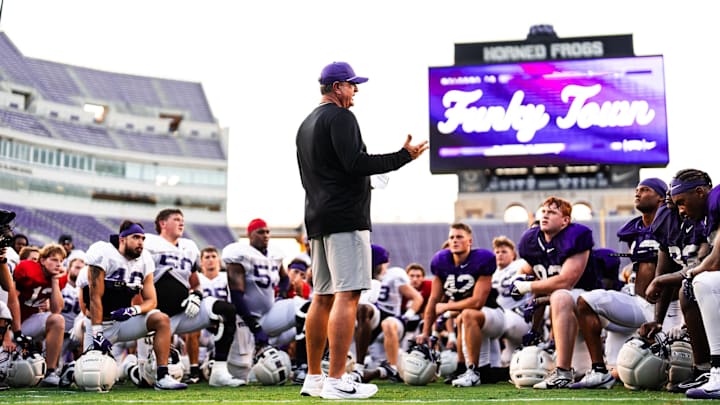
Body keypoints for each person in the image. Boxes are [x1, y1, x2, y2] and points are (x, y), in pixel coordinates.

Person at [295, 61, 428, 400]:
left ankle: (314, 377)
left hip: (317, 217)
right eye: (352, 85)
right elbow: (355, 163)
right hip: (345, 217)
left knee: (322, 296)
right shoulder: (341, 117)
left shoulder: (306, 123)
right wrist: (402, 157)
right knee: (348, 294)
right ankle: (337, 379)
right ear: (338, 87)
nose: (356, 92)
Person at [572, 178, 676, 389]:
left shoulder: (674, 224)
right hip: (638, 302)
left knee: (676, 371)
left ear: (660, 197)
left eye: (645, 190)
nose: (638, 193)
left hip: (671, 307)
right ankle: (599, 371)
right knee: (585, 301)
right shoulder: (634, 230)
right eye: (637, 190)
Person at [82, 220, 187, 390]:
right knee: (90, 379)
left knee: (161, 319)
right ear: (122, 239)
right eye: (136, 237)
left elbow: (152, 301)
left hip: (124, 322)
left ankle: (162, 376)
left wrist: (133, 310)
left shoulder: (145, 259)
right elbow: (95, 298)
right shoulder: (103, 252)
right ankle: (71, 369)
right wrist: (98, 333)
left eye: (143, 238)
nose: (141, 242)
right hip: (99, 323)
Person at [144, 208, 243, 387]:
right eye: (176, 219)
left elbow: (194, 281)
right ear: (163, 223)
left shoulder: (189, 247)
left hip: (183, 313)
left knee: (227, 310)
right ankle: (131, 368)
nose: (182, 222)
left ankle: (219, 372)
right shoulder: (149, 243)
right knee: (145, 377)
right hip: (155, 318)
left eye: (182, 219)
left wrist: (196, 295)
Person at [644, 169, 720, 399]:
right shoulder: (706, 217)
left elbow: (715, 261)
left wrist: (682, 275)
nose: (681, 210)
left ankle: (716, 369)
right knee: (693, 285)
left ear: (699, 192)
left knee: (701, 282)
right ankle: (706, 370)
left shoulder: (716, 199)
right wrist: (657, 321)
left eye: (682, 203)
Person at [511, 196, 600, 389]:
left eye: (552, 212)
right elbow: (526, 268)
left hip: (591, 305)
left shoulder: (576, 236)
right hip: (567, 310)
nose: (545, 215)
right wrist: (520, 280)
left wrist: (528, 287)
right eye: (543, 211)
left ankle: (563, 372)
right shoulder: (533, 241)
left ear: (565, 220)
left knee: (560, 295)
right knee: (583, 371)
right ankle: (564, 364)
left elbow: (566, 281)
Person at [413, 223, 497, 387]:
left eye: (459, 237)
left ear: (469, 241)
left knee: (466, 314)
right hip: (467, 320)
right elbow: (433, 299)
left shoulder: (482, 259)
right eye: (451, 237)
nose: (454, 240)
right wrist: (425, 332)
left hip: (492, 313)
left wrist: (446, 307)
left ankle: (472, 371)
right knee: (462, 317)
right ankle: (462, 367)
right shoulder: (441, 261)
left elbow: (478, 302)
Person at [223, 218, 303, 381]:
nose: (265, 235)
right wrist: (255, 327)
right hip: (245, 318)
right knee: (241, 374)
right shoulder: (240, 255)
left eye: (267, 232)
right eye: (260, 232)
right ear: (250, 235)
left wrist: (281, 293)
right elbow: (236, 295)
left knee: (304, 308)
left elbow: (284, 278)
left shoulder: (275, 254)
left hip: (270, 313)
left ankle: (303, 366)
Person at [352, 244, 423, 384]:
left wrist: (407, 316)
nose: (386, 264)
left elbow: (417, 298)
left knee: (387, 323)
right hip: (372, 321)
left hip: (393, 319)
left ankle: (392, 368)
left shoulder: (394, 274)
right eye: (383, 261)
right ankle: (382, 369)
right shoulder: (358, 275)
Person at [13, 243, 68, 386]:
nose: (58, 264)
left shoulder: (58, 278)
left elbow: (56, 310)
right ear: (42, 260)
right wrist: (14, 332)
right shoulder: (28, 269)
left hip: (28, 323)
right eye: (54, 259)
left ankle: (50, 371)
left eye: (61, 261)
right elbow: (12, 301)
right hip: (10, 324)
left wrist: (55, 281)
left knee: (57, 320)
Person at [488, 236, 532, 368]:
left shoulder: (520, 265)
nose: (500, 255)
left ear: (513, 254)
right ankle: (491, 363)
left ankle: (492, 365)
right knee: (509, 362)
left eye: (504, 251)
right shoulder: (492, 272)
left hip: (522, 316)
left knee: (491, 322)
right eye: (497, 252)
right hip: (508, 320)